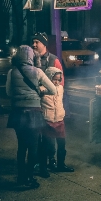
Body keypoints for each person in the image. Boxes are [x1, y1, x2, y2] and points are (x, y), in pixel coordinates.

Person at [6, 45, 56, 188]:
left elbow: (9, 92)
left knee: (21, 147)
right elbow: (53, 90)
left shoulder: (11, 72)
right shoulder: (38, 71)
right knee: (33, 147)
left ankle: (21, 178)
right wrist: (41, 90)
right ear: (32, 57)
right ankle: (29, 177)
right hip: (34, 112)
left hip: (17, 113)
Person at [32, 32, 65, 172]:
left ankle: (50, 161)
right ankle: (40, 162)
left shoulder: (54, 60)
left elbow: (61, 81)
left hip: (49, 104)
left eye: (36, 42)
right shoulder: (32, 59)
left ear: (43, 44)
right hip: (36, 102)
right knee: (39, 137)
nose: (33, 44)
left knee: (49, 136)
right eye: (33, 42)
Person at [39, 67, 74, 174]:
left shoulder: (60, 88)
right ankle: (44, 167)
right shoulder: (42, 89)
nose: (57, 82)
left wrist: (65, 113)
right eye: (55, 79)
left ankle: (61, 165)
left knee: (62, 145)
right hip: (47, 120)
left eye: (59, 79)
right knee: (47, 146)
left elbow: (62, 102)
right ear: (48, 78)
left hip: (59, 119)